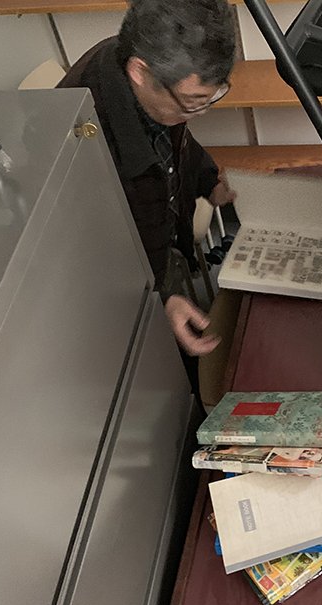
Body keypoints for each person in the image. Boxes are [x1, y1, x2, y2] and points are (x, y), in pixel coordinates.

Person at [58, 0, 237, 389]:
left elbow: (176, 140)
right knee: (168, 375)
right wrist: (159, 298)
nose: (199, 112)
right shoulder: (83, 139)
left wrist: (207, 179)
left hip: (151, 246)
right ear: (140, 72)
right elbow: (94, 256)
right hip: (107, 281)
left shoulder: (145, 66)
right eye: (193, 102)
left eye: (213, 97)